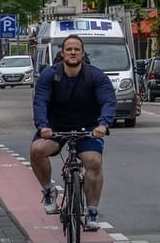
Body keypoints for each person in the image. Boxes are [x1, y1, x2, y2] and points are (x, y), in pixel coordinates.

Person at [31, 35, 116, 232]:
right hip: (55, 126)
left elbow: (108, 101)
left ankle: (92, 210)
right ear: (62, 53)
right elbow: (40, 101)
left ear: (83, 53)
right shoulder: (49, 75)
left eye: (77, 49)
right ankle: (48, 190)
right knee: (37, 150)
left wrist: (103, 124)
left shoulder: (96, 76)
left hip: (87, 127)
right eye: (69, 49)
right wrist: (43, 125)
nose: (72, 52)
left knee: (94, 162)